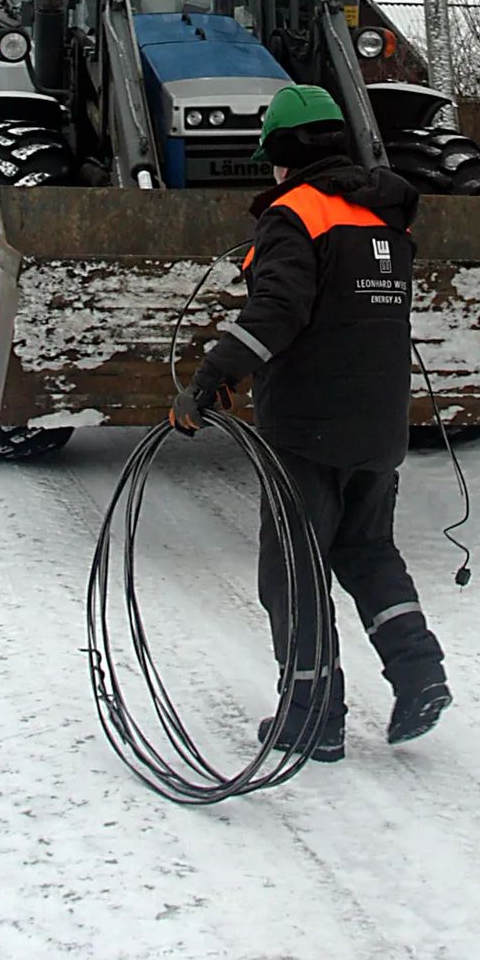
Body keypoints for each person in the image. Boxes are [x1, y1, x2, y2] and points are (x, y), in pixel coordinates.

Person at [170, 84, 451, 762]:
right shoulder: (386, 213)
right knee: (367, 551)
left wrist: (211, 378)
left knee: (293, 569)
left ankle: (311, 717)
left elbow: (279, 312)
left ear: (284, 155)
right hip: (380, 423)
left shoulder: (295, 214)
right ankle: (421, 677)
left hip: (309, 425)